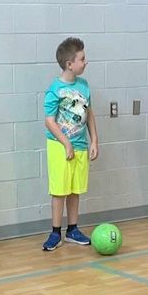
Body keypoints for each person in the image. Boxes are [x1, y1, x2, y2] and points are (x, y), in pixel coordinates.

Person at [42, 37, 99, 251]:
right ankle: (55, 232)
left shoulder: (84, 86)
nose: (86, 62)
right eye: (82, 59)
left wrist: (94, 140)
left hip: (81, 145)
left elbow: (89, 113)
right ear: (69, 64)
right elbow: (49, 120)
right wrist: (66, 143)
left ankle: (72, 229)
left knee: (75, 190)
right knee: (60, 190)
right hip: (60, 147)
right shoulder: (55, 89)